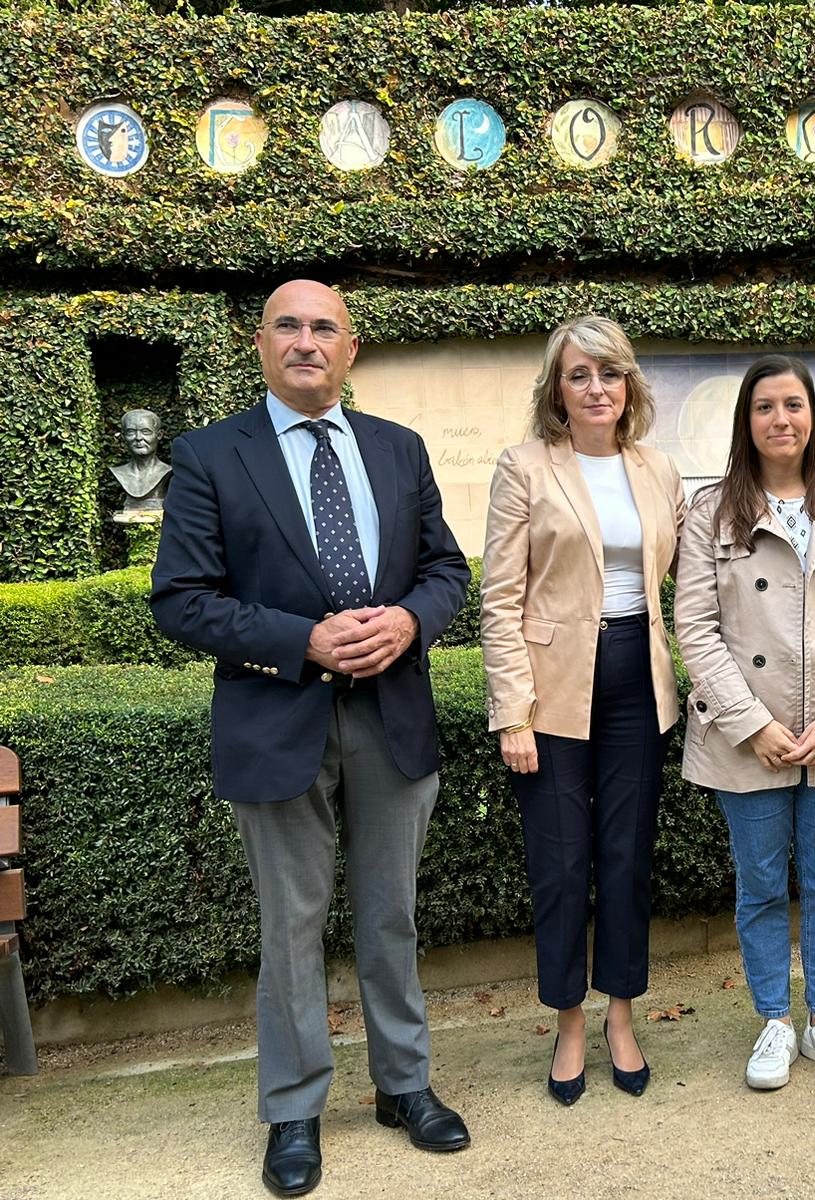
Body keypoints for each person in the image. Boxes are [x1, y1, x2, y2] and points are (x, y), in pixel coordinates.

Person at [150, 280, 472, 1197]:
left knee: (391, 915)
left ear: (351, 348)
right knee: (290, 928)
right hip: (275, 718)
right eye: (287, 326)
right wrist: (302, 640)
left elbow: (447, 568)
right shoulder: (212, 455)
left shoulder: (397, 451)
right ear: (261, 345)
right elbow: (181, 599)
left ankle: (403, 1085)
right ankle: (293, 1107)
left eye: (322, 327)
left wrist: (410, 622)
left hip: (392, 718)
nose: (305, 342)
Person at [479, 314, 685, 1105]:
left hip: (639, 678)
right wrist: (512, 712)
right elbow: (499, 598)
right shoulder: (525, 466)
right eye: (578, 375)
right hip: (554, 688)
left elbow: (682, 580)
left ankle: (621, 1016)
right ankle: (569, 1021)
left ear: (628, 383)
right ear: (556, 390)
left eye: (609, 373)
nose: (596, 387)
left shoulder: (657, 468)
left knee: (627, 859)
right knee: (562, 868)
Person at [675, 355, 815, 1090]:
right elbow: (696, 628)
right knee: (761, 884)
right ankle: (775, 1020)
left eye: (793, 404)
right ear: (746, 420)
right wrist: (751, 724)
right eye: (765, 406)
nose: (781, 419)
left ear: (812, 415)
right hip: (750, 741)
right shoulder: (711, 511)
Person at [111, 408, 173, 513]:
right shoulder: (119, 473)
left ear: (159, 435)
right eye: (131, 432)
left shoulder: (168, 471)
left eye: (146, 432)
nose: (138, 438)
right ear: (123, 437)